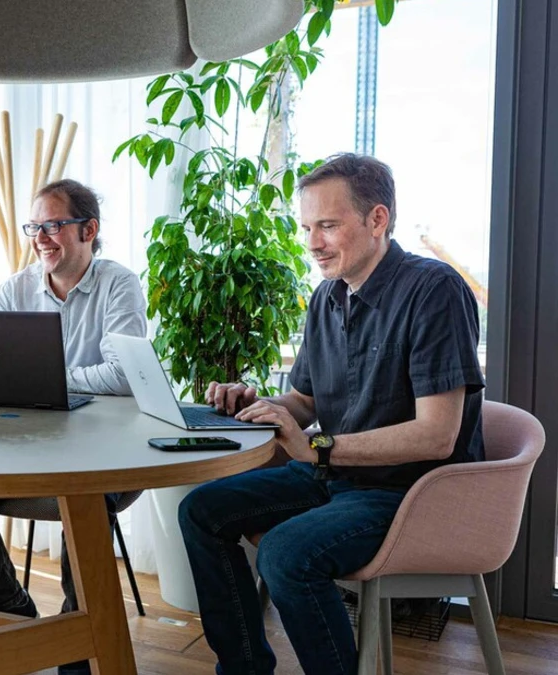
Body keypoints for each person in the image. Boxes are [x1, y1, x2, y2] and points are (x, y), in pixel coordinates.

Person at [178, 153, 485, 675]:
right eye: (306, 227)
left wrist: (318, 446)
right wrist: (257, 404)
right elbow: (306, 403)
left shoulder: (435, 291)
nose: (312, 243)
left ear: (377, 220)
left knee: (284, 554)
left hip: (409, 494)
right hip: (335, 477)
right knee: (201, 511)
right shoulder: (327, 297)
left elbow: (437, 437)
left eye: (327, 225)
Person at [0, 179, 146, 675]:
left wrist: (45, 379)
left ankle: (78, 631)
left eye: (53, 225)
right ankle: (11, 609)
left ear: (88, 229)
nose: (40, 237)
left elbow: (123, 377)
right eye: (35, 226)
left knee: (84, 495)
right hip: (23, 449)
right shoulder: (16, 289)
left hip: (104, 454)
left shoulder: (119, 284)